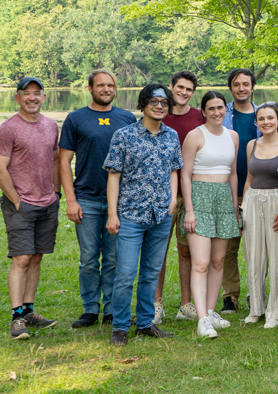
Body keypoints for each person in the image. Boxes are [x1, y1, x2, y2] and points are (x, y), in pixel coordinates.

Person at [102, 84, 182, 345]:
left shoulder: (172, 136)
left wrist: (172, 199)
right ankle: (121, 326)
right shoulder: (124, 135)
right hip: (130, 215)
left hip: (161, 214)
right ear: (143, 103)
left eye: (164, 102)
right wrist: (112, 214)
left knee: (151, 272)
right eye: (154, 101)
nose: (159, 106)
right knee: (125, 273)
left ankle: (146, 322)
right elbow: (114, 175)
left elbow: (174, 169)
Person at [60, 70, 136, 329]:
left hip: (120, 202)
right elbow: (63, 161)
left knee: (114, 258)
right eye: (100, 85)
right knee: (89, 258)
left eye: (110, 85)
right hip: (87, 199)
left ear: (116, 89)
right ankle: (90, 308)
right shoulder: (76, 119)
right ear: (90, 88)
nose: (106, 89)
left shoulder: (127, 118)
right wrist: (71, 200)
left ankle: (112, 309)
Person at [0, 76, 60, 340]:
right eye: (26, 93)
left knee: (36, 257)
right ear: (17, 97)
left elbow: (55, 159)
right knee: (21, 258)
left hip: (47, 202)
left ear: (44, 96)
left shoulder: (51, 125)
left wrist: (55, 192)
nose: (32, 97)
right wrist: (17, 200)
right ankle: (16, 317)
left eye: (37, 93)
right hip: (20, 203)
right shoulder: (8, 129)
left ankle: (29, 310)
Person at [180, 91, 241, 338]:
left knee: (218, 261)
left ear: (225, 110)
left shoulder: (233, 136)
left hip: (224, 199)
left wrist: (234, 207)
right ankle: (201, 318)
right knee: (201, 263)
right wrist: (190, 210)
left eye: (220, 107)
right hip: (200, 197)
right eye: (211, 108)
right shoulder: (195, 136)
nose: (217, 112)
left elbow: (233, 173)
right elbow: (185, 174)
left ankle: (211, 311)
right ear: (203, 111)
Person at [160, 70, 205, 324]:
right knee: (159, 251)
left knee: (187, 250)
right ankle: (156, 303)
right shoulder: (159, 114)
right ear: (172, 86)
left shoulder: (199, 117)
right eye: (180, 87)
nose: (184, 92)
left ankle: (186, 303)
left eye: (189, 89)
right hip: (163, 194)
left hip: (190, 194)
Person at [241, 104, 278, 328]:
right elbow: (249, 179)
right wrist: (243, 208)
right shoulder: (253, 144)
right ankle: (256, 309)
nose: (266, 122)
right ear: (256, 122)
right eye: (261, 119)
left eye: (270, 117)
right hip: (253, 201)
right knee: (254, 257)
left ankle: (276, 311)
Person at [220, 68, 259, 315]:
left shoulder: (264, 115)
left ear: (253, 87)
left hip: (258, 189)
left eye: (246, 84)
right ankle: (230, 297)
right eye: (236, 84)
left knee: (257, 247)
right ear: (231, 88)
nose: (241, 88)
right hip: (227, 189)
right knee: (228, 247)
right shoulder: (221, 114)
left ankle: (255, 295)